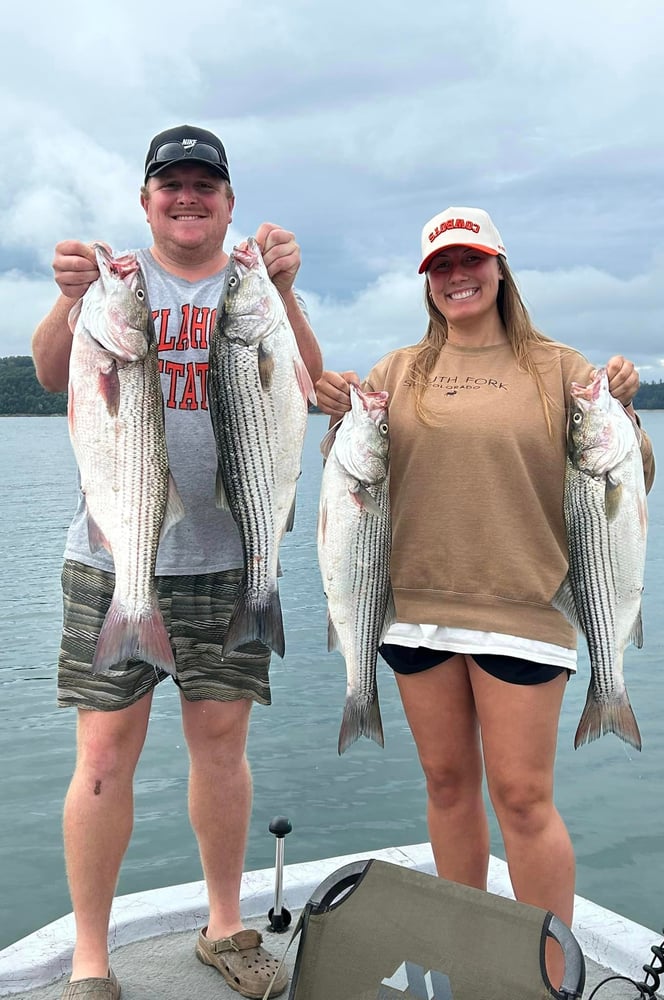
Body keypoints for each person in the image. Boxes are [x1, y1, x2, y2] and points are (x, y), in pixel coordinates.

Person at [315, 206, 655, 985]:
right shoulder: (396, 373)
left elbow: (625, 484)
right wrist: (337, 415)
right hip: (412, 613)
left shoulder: (560, 368)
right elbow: (352, 487)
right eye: (441, 266)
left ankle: (546, 973)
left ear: (500, 268)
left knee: (525, 798)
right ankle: (467, 956)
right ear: (426, 281)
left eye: (472, 261)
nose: (457, 277)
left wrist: (627, 408)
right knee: (446, 784)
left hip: (524, 612)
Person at [31, 124, 323, 1000]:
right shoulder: (114, 285)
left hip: (232, 562)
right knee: (103, 758)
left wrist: (287, 292)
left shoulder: (254, 288)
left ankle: (226, 927)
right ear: (146, 199)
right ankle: (90, 960)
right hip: (111, 555)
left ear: (229, 202)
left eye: (205, 184)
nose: (187, 197)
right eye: (172, 183)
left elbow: (305, 381)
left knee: (222, 751)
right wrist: (65, 299)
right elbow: (54, 374)